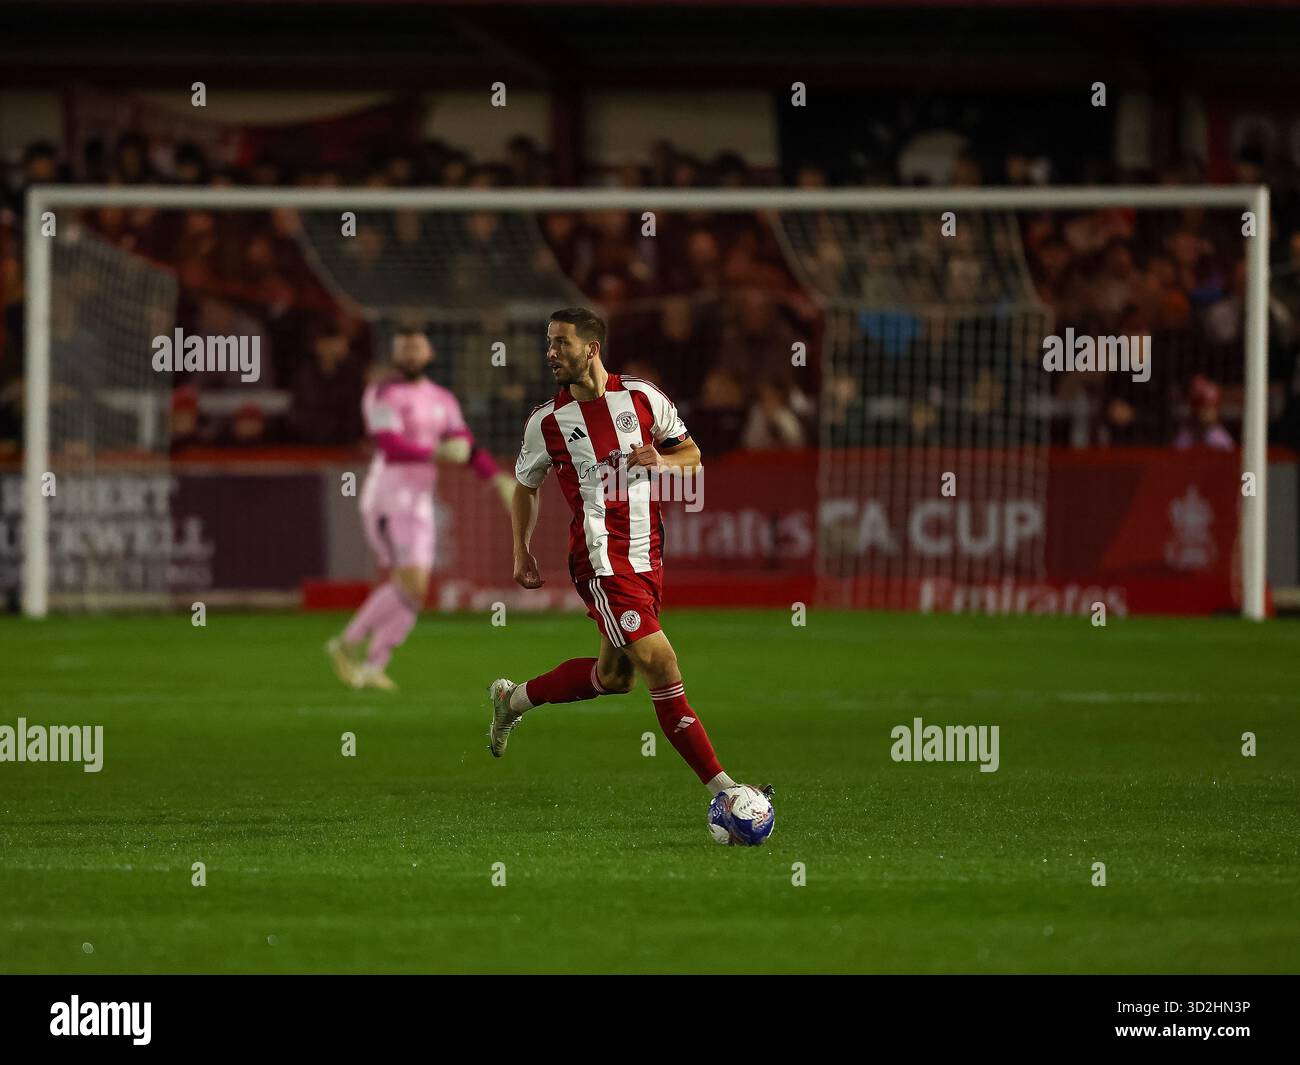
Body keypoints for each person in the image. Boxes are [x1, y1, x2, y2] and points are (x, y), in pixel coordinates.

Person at [486, 307, 771, 808]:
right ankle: (727, 793)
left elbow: (693, 458)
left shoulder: (642, 398)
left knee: (614, 678)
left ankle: (513, 699)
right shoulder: (547, 422)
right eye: (548, 343)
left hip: (648, 557)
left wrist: (661, 460)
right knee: (661, 662)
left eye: (561, 343)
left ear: (591, 348)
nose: (550, 352)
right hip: (600, 562)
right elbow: (526, 487)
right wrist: (521, 549)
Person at [327, 328, 513, 690]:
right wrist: (438, 452)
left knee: (416, 589)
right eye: (404, 347)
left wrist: (497, 479)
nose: (411, 353)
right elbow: (390, 444)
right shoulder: (383, 393)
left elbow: (465, 446)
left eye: (417, 346)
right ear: (396, 355)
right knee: (411, 583)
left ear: (429, 352)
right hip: (390, 494)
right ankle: (347, 643)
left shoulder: (442, 399)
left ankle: (373, 663)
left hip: (420, 499)